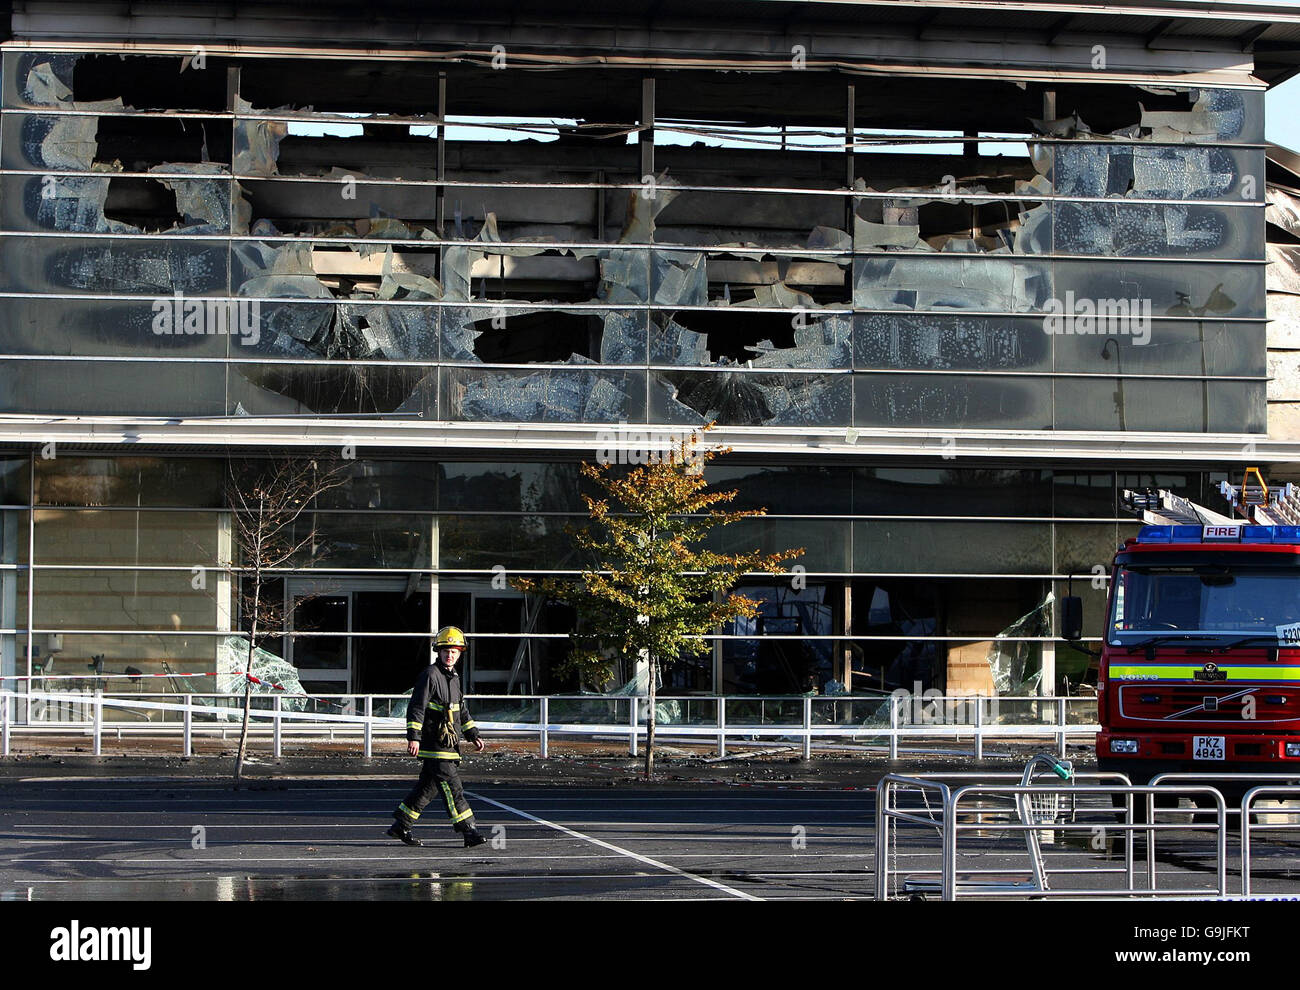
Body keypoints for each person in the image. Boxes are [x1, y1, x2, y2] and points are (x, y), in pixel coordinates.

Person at [387, 625, 488, 848]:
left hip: (449, 745)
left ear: (460, 653)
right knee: (454, 788)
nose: (449, 655)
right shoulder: (430, 675)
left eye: (454, 651)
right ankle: (468, 830)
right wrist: (413, 737)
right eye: (445, 651)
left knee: (427, 788)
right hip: (435, 745)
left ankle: (401, 825)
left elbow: (460, 710)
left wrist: (473, 734)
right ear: (438, 652)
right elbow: (416, 707)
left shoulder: (454, 678)